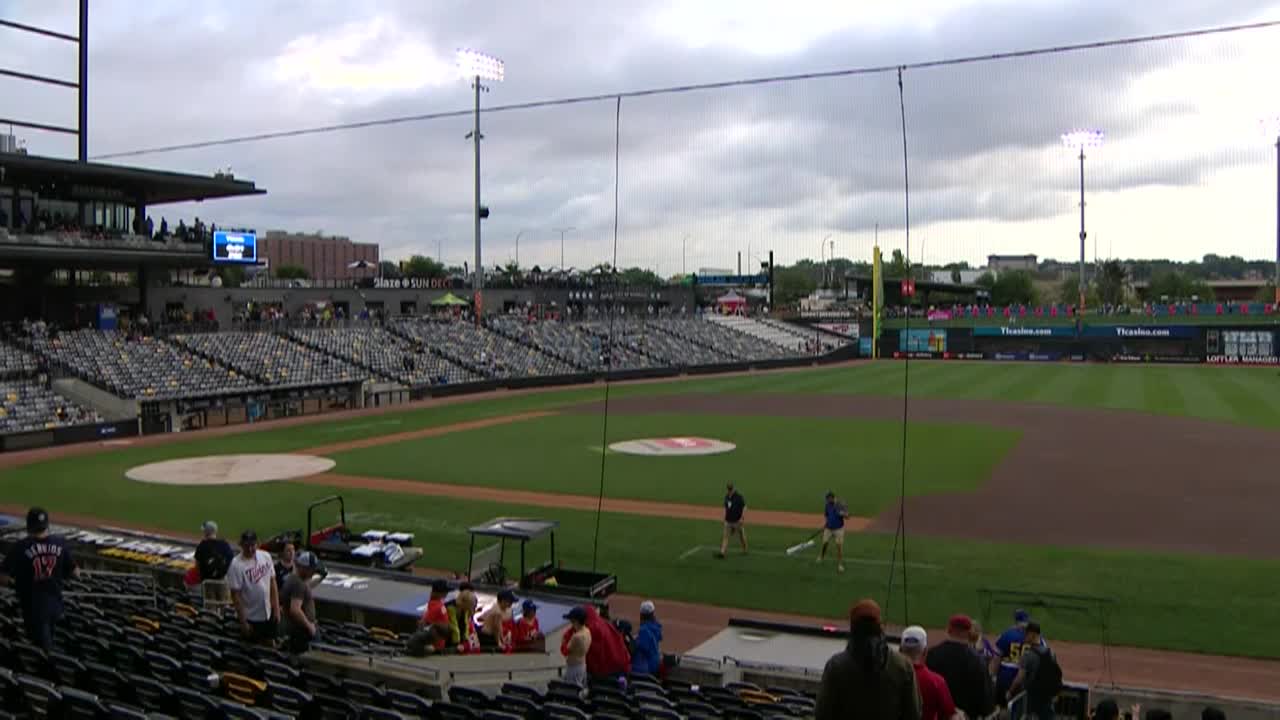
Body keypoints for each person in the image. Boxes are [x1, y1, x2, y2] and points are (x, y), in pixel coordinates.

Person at [816, 598, 921, 720]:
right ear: (880, 626)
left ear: (853, 627)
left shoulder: (836, 666)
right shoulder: (902, 665)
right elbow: (914, 714)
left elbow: (822, 713)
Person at [0, 507, 79, 651]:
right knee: (46, 643)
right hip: (56, 606)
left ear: (29, 526)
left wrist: (15, 584)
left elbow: (3, 577)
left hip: (32, 608)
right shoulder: (59, 543)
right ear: (47, 525)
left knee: (42, 650)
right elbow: (75, 573)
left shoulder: (21, 547)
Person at [925, 614, 993, 719]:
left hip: (938, 716)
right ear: (969, 632)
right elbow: (985, 702)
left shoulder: (933, 654)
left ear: (949, 629)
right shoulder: (977, 660)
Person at [226, 530, 279, 645]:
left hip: (268, 612)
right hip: (251, 617)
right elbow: (235, 596)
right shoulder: (236, 565)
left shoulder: (266, 556)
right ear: (241, 545)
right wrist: (243, 622)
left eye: (252, 545)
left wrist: (276, 608)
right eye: (246, 546)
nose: (250, 549)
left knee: (271, 644)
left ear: (257, 544)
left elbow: (272, 582)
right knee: (253, 650)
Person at [899, 626, 958, 720]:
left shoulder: (887, 676)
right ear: (925, 651)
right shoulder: (937, 682)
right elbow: (949, 716)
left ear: (900, 650)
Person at [1009, 623, 1063, 720]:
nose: (1024, 636)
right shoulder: (1051, 653)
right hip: (1047, 696)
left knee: (1017, 714)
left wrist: (1010, 691)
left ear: (1032, 635)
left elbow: (1019, 678)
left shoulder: (1027, 655)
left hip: (1031, 696)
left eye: (1026, 634)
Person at [994, 609, 1045, 700]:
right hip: (1026, 678)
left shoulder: (1007, 634)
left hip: (1006, 675)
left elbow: (997, 657)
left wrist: (993, 676)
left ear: (1016, 620)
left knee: (1002, 705)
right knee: (1021, 707)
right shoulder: (1036, 637)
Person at [280, 551, 322, 653]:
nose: (313, 571)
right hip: (302, 631)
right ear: (303, 567)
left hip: (297, 629)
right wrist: (309, 626)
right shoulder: (298, 583)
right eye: (311, 569)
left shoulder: (293, 579)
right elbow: (295, 610)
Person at [583, 604, 630, 682]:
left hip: (609, 672)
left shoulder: (592, 628)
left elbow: (593, 659)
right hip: (621, 666)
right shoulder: (604, 623)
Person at [409, 579, 452, 655]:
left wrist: (420, 623)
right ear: (439, 593)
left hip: (435, 645)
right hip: (438, 642)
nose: (446, 593)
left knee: (413, 640)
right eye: (445, 591)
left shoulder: (437, 606)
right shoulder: (437, 604)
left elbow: (424, 625)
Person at [817, 491, 849, 573]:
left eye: (827, 499)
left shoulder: (840, 504)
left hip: (838, 529)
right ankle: (821, 557)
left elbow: (847, 516)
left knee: (838, 547)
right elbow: (827, 515)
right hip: (828, 528)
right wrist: (827, 523)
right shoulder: (827, 505)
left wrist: (843, 514)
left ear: (831, 498)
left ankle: (840, 564)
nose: (826, 500)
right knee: (825, 543)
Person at [561, 606, 592, 687]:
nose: (570, 622)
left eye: (572, 620)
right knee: (580, 689)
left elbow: (564, 651)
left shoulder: (576, 637)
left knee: (570, 691)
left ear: (576, 620)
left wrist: (564, 639)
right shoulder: (587, 631)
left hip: (573, 668)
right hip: (582, 665)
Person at [632, 600, 664, 677]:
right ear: (653, 614)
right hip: (656, 662)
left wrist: (634, 641)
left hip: (648, 668)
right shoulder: (656, 628)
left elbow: (641, 647)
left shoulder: (644, 630)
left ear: (641, 615)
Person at [717, 482, 747, 558]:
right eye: (728, 489)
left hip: (737, 521)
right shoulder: (727, 497)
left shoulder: (739, 497)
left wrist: (742, 518)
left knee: (741, 536)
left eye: (730, 489)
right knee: (725, 536)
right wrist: (724, 517)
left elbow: (744, 507)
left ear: (733, 488)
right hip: (728, 521)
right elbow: (726, 508)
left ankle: (744, 549)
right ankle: (722, 552)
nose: (729, 490)